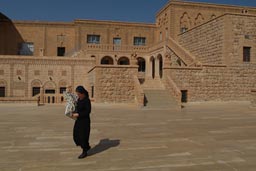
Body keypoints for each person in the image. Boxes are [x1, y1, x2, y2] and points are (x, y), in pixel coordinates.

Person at [71, 86, 91, 159]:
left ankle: (84, 151)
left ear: (82, 93)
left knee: (83, 136)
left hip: (85, 121)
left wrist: (78, 114)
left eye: (79, 93)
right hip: (79, 120)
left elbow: (88, 111)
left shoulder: (87, 100)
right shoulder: (79, 99)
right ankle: (87, 146)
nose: (78, 95)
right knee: (76, 135)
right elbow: (77, 108)